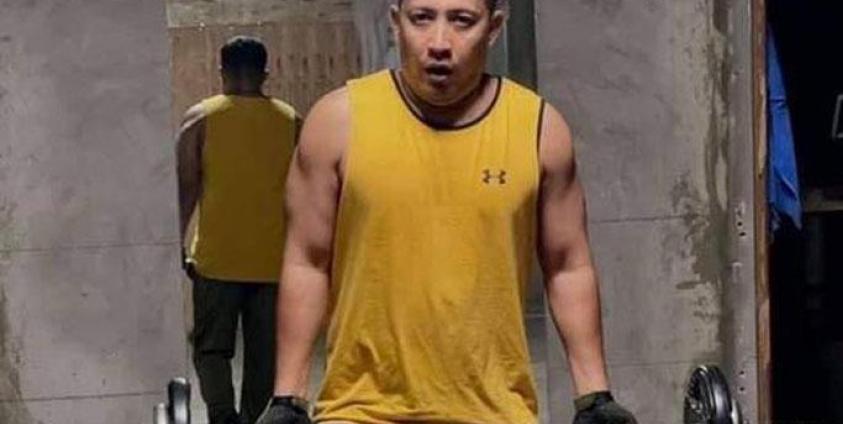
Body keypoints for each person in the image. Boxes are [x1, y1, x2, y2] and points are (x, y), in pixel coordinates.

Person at [258, 0, 637, 423]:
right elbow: (307, 261)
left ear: (493, 28)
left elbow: (568, 266)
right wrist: (287, 398)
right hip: (359, 410)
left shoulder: (539, 129)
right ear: (396, 22)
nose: (439, 42)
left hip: (496, 412)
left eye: (462, 21)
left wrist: (594, 396)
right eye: (422, 18)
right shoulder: (337, 122)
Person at [176, 36, 299, 424]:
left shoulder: (200, 119)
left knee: (211, 349)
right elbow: (306, 198)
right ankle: (252, 420)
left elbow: (186, 189)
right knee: (264, 356)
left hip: (216, 260)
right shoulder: (292, 122)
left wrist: (176, 244)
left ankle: (222, 417)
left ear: (222, 71)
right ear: (266, 73)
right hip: (273, 262)